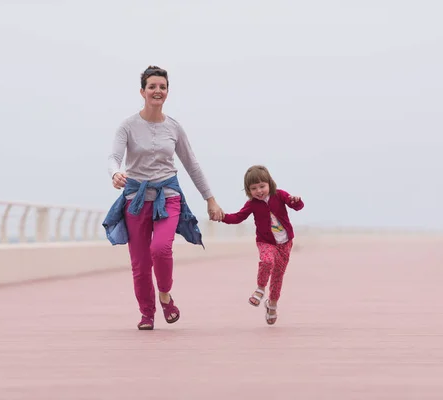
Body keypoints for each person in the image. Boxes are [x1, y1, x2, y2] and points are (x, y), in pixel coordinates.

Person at [102, 65, 224, 331]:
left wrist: (210, 199)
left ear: (167, 92)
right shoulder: (128, 126)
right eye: (152, 87)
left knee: (160, 249)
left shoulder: (174, 128)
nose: (157, 91)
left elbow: (192, 165)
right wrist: (115, 174)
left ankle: (165, 296)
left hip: (168, 196)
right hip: (135, 199)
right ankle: (147, 313)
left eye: (162, 87)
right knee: (141, 263)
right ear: (142, 92)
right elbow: (114, 157)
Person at [218, 165, 304, 325]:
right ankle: (260, 288)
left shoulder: (279, 195)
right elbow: (237, 218)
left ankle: (272, 305)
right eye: (254, 188)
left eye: (262, 186)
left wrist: (296, 201)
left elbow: (297, 207)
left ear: (270, 184)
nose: (259, 191)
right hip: (265, 242)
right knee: (267, 261)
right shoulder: (252, 204)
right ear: (248, 190)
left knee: (278, 276)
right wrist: (221, 217)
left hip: (285, 243)